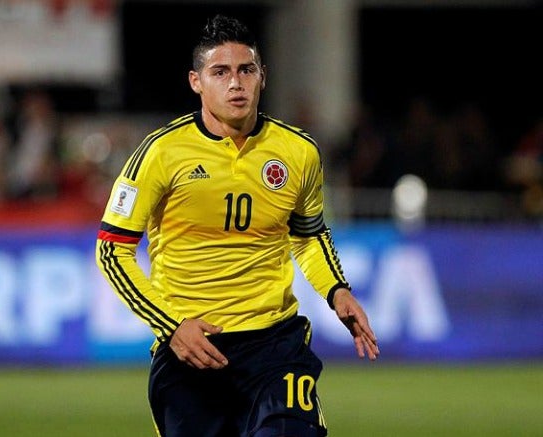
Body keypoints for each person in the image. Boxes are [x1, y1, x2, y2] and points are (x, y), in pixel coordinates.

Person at [95, 15, 379, 437]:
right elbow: (111, 251)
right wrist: (171, 327)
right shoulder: (160, 153)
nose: (235, 83)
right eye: (220, 72)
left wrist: (336, 290)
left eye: (246, 70)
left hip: (274, 347)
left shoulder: (298, 152)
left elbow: (308, 234)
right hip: (191, 351)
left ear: (262, 77)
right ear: (196, 82)